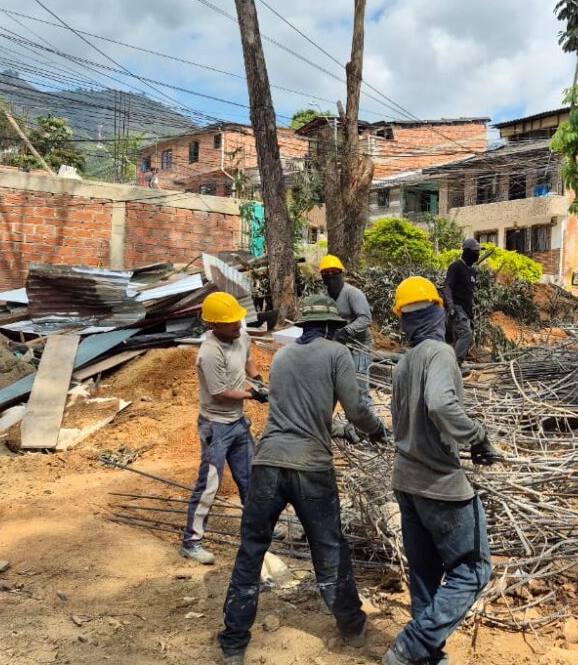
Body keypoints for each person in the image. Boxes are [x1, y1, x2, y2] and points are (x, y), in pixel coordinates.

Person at [218, 294, 389, 665]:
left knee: (251, 551)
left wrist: (339, 429)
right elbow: (358, 408)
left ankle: (233, 644)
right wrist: (375, 430)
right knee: (329, 549)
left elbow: (295, 410)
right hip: (311, 469)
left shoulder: (283, 358)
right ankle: (353, 628)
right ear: (331, 326)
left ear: (304, 326)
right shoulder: (337, 354)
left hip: (268, 465)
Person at [383, 277, 502, 665]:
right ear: (438, 310)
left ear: (403, 321)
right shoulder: (440, 353)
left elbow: (402, 423)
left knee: (424, 576)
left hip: (406, 482)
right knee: (474, 570)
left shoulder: (403, 365)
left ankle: (426, 656)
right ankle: (412, 646)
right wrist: (478, 436)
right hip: (439, 485)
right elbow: (440, 405)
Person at [179, 291, 268, 566]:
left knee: (251, 481)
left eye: (239, 322)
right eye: (232, 325)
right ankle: (191, 542)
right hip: (216, 426)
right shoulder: (209, 352)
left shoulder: (239, 334)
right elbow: (219, 393)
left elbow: (248, 357)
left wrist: (258, 380)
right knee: (209, 484)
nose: (239, 327)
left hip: (238, 423)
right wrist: (253, 396)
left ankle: (258, 531)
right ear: (215, 325)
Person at [319, 254, 376, 416]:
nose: (330, 277)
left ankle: (371, 430)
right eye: (326, 274)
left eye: (334, 273)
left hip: (359, 347)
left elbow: (366, 319)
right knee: (331, 388)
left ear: (341, 274)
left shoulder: (353, 294)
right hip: (337, 347)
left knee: (359, 390)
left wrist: (347, 330)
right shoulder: (325, 297)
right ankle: (323, 424)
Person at [443, 238, 480, 365]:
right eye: (475, 251)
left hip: (466, 310)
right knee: (466, 334)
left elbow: (469, 294)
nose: (478, 254)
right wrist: (451, 307)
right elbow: (447, 286)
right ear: (466, 251)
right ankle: (455, 365)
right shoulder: (455, 267)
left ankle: (448, 366)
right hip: (457, 308)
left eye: (478, 252)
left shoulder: (472, 271)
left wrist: (471, 315)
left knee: (458, 338)